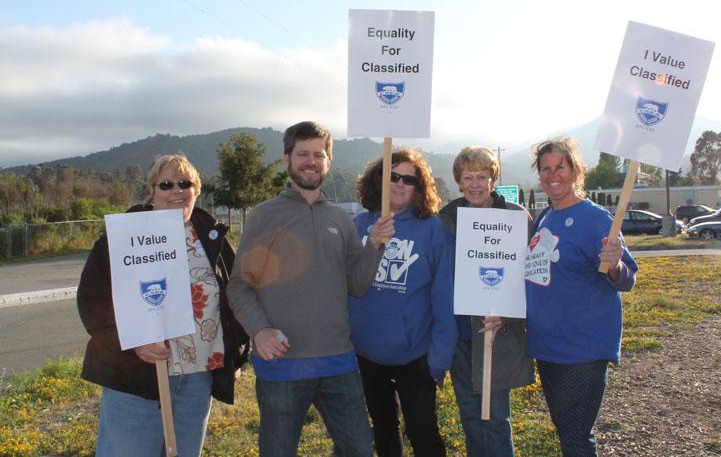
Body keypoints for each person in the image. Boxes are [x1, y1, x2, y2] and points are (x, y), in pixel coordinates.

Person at [226, 121, 394, 457]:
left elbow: (358, 286)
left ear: (328, 161)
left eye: (319, 154)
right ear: (288, 158)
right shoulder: (264, 215)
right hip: (283, 364)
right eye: (303, 153)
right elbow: (239, 287)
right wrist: (259, 331)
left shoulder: (339, 219)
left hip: (338, 361)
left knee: (359, 450)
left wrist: (375, 245)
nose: (311, 161)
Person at [77, 154, 250, 457]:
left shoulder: (213, 239)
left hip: (196, 378)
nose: (176, 191)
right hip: (136, 378)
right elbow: (92, 301)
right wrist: (133, 343)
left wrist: (234, 358)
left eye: (185, 183)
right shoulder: (122, 237)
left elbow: (234, 298)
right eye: (166, 184)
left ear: (197, 190)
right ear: (152, 191)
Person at [524, 137, 637, 457]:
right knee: (566, 430)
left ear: (575, 170)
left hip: (584, 349)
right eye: (545, 169)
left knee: (575, 436)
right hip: (547, 346)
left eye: (560, 167)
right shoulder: (545, 217)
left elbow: (626, 279)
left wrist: (614, 265)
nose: (552, 174)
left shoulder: (596, 219)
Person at [349, 148, 457, 457]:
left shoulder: (433, 229)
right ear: (378, 180)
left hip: (416, 355)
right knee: (383, 430)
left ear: (419, 187)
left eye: (408, 179)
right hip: (366, 354)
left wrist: (440, 357)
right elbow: (347, 285)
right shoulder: (358, 225)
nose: (399, 184)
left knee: (423, 432)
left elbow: (444, 297)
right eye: (392, 176)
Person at [439, 146, 535, 457]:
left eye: (483, 176)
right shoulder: (447, 220)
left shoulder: (516, 218)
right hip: (460, 336)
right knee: (469, 416)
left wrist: (508, 316)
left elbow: (532, 277)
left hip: (496, 334)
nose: (476, 184)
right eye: (469, 177)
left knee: (495, 417)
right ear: (459, 181)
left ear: (493, 179)